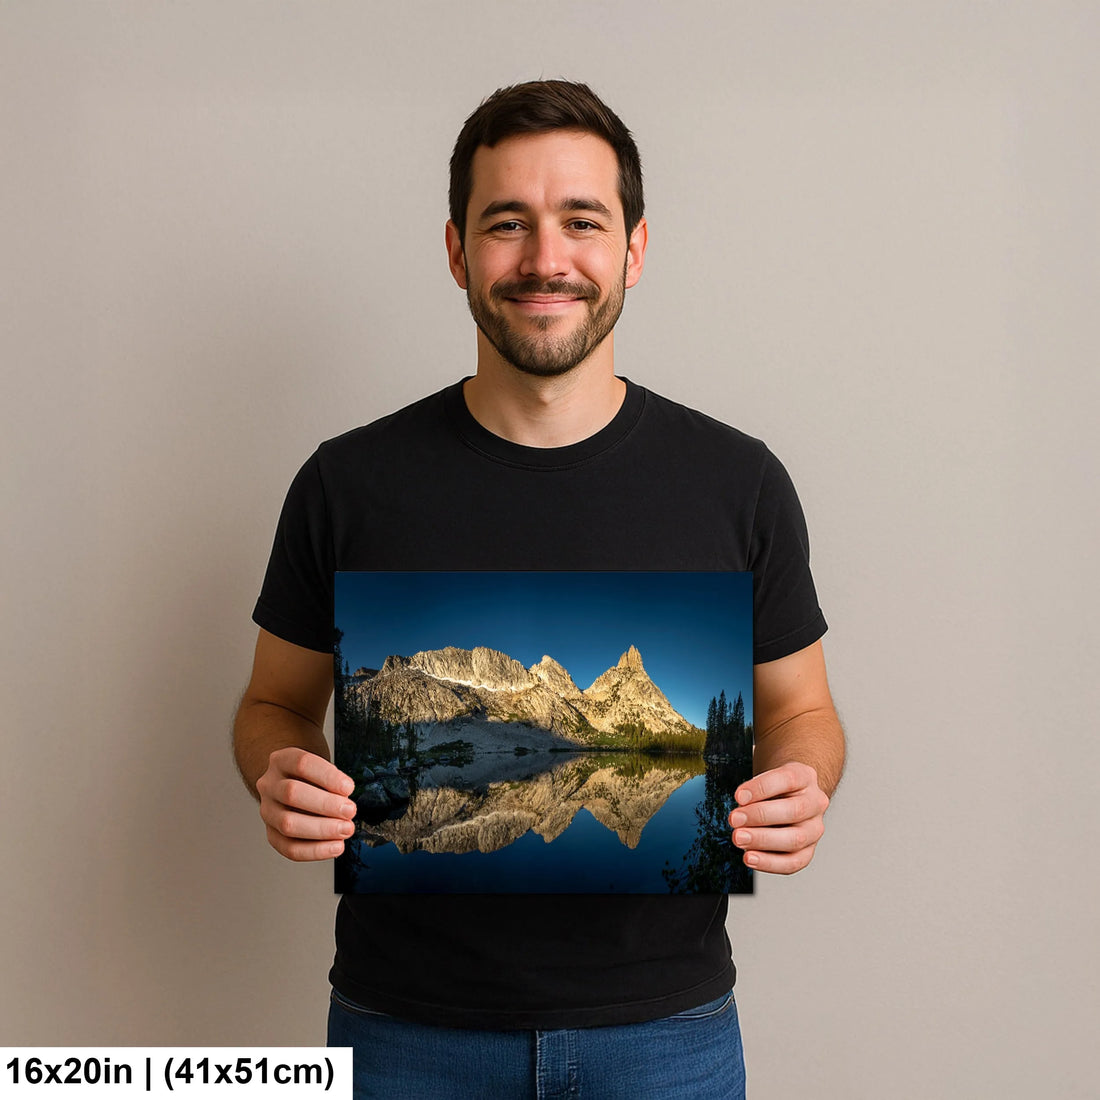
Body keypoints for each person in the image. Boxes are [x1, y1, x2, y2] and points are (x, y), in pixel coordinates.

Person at [233, 79, 845, 1099]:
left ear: (633, 250)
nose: (544, 257)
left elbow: (804, 712)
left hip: (667, 1032)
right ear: (455, 251)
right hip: (402, 1033)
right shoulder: (347, 482)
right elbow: (270, 703)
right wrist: (280, 769)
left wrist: (800, 783)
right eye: (506, 223)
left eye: (580, 221)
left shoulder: (738, 483)